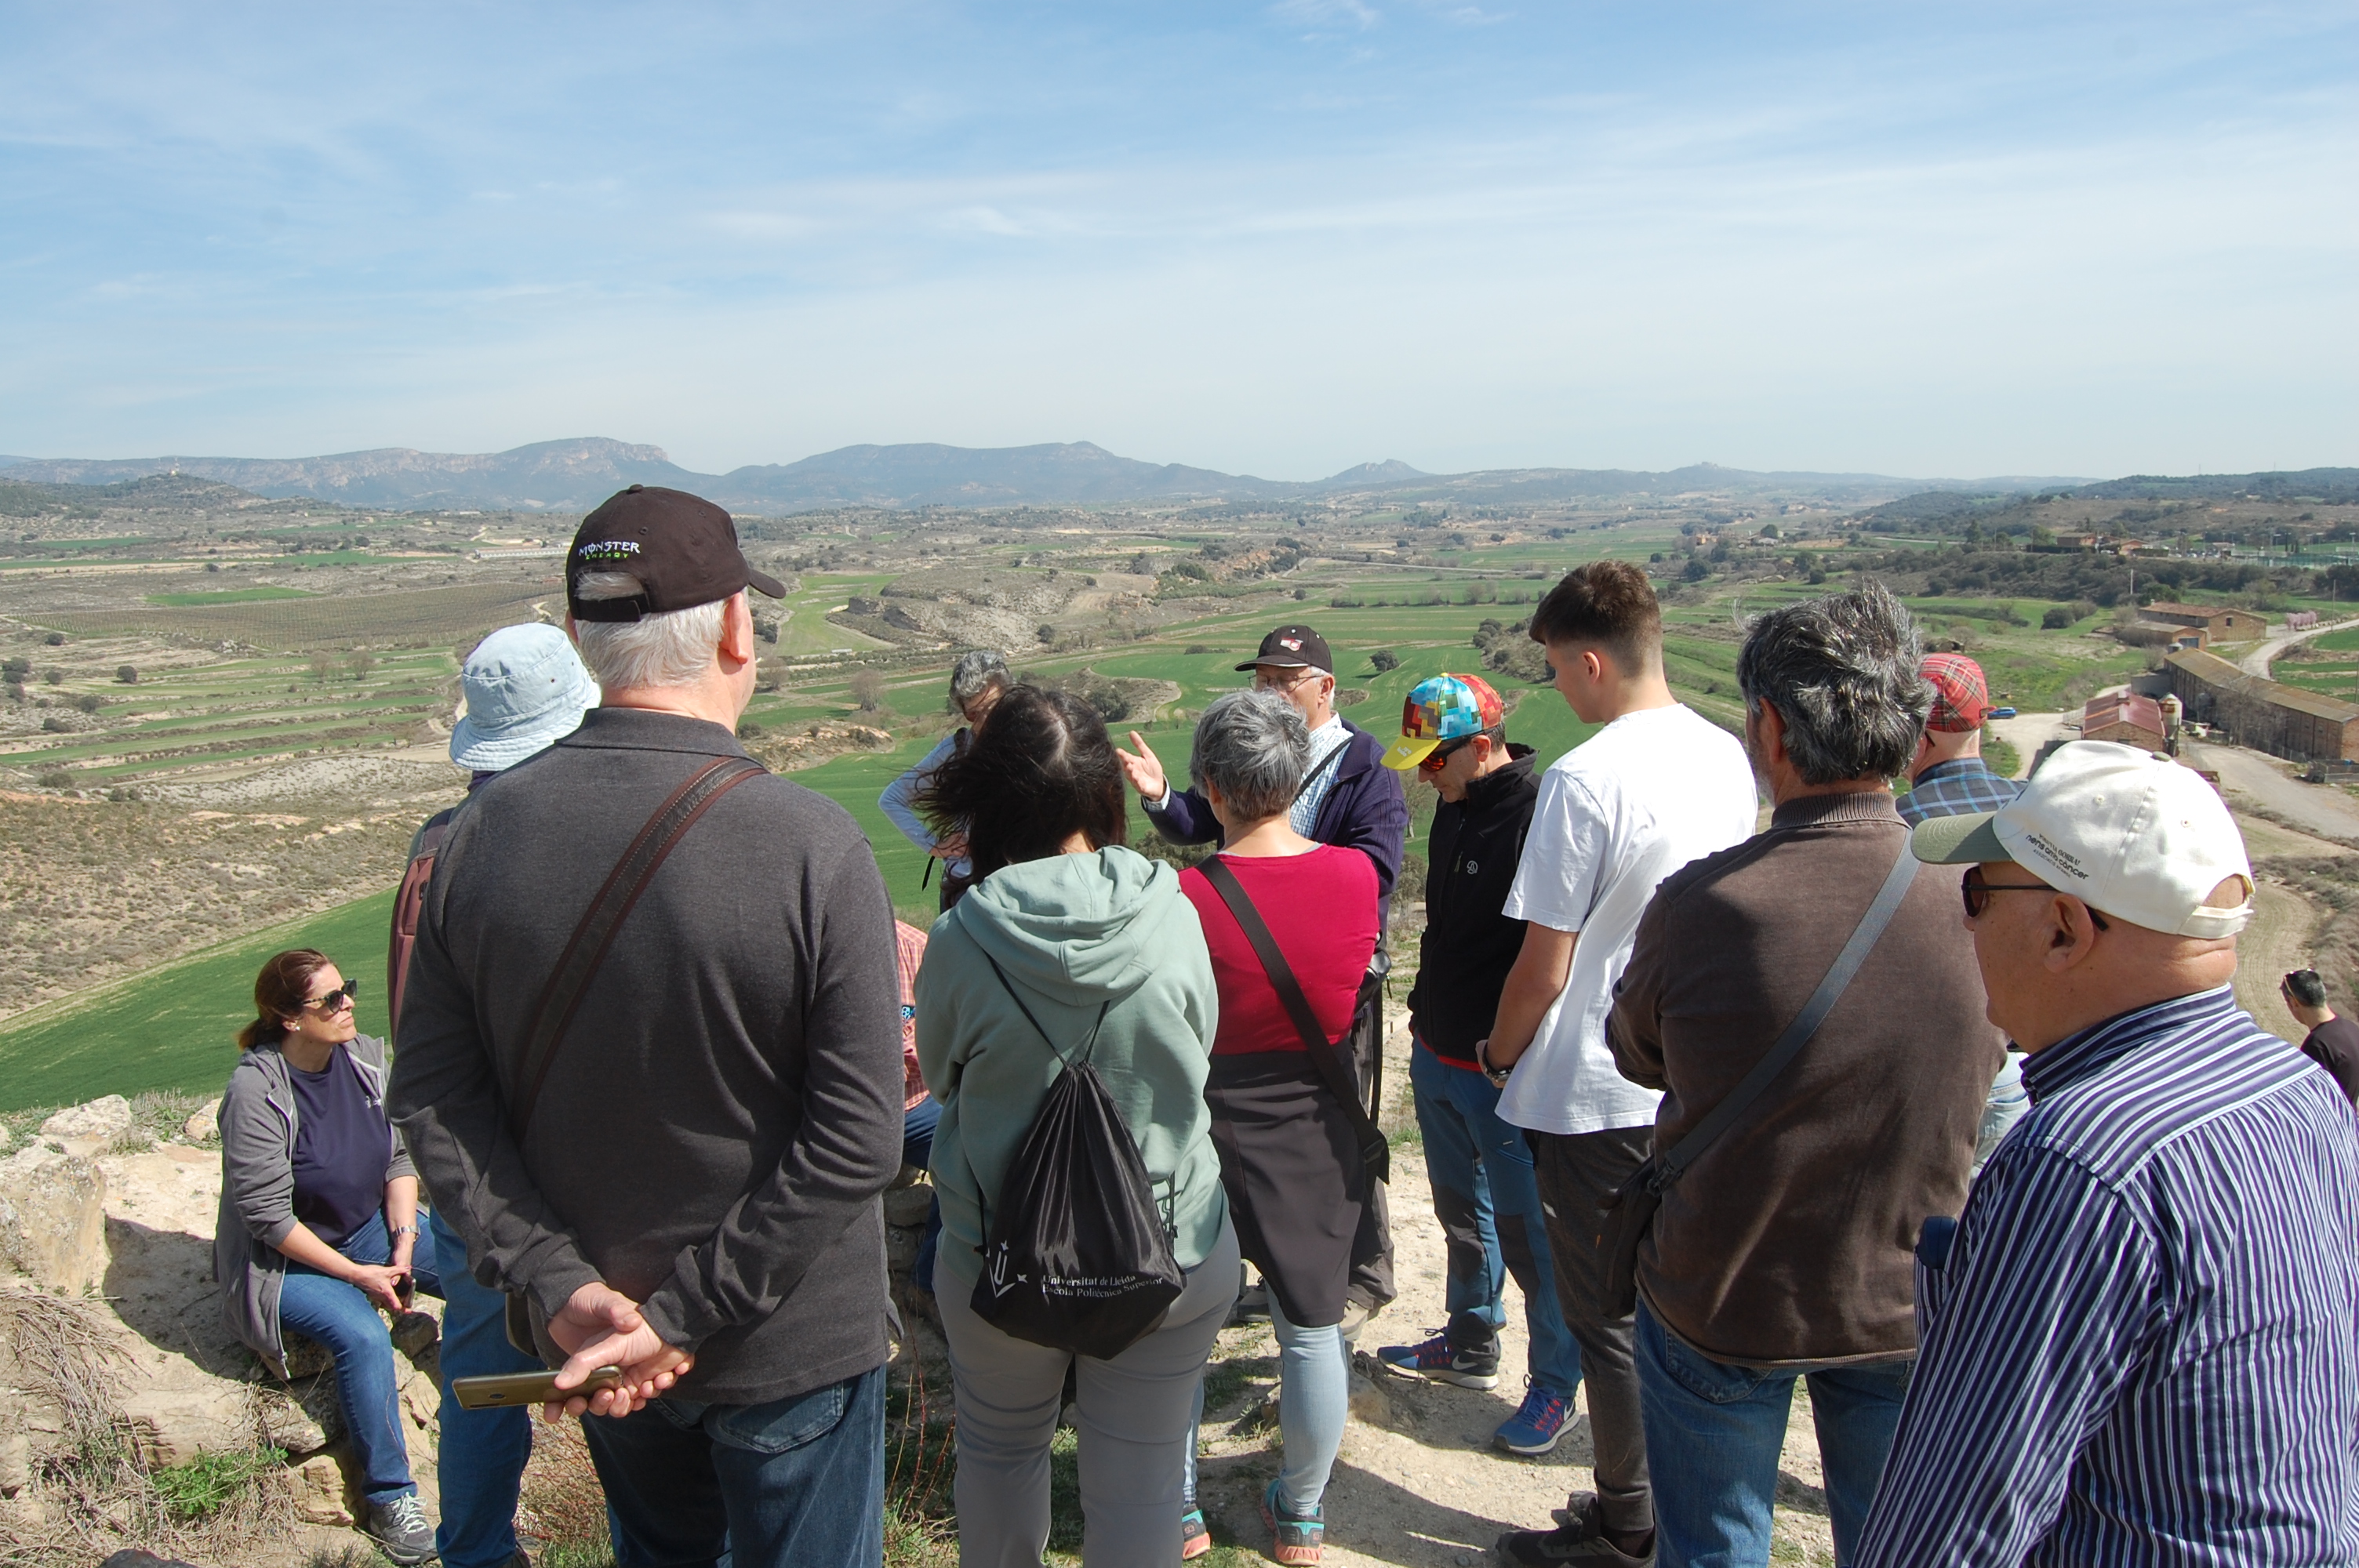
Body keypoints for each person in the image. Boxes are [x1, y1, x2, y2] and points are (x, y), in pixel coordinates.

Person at [387, 485, 905, 1568]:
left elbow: (437, 1101)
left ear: (581, 638)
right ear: (733, 627)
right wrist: (685, 1314)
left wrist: (563, 1288)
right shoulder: (809, 845)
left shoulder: (471, 844)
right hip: (783, 1344)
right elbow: (857, 1136)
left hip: (593, 1341)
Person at [1862, 742, 2359, 1563]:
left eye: (1979, 890)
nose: (1965, 917)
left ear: (2063, 927)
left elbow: (1956, 1520)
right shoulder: (2296, 1091)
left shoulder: (2080, 1158)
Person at [1606, 585, 2004, 1568]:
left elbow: (1636, 1053)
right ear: (1911, 733)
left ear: (1770, 729)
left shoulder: (1704, 904)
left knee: (1713, 1547)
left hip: (1726, 1285)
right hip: (1906, 1293)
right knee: (1895, 1542)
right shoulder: (1980, 899)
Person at [912, 682, 1237, 1568]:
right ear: (1103, 792)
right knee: (1138, 1487)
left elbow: (940, 1075)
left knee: (999, 1451)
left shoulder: (963, 936)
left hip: (1000, 1256)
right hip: (1170, 1247)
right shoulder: (1174, 908)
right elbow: (1195, 1047)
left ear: (989, 799)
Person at [1478, 563, 1757, 1568]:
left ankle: (1631, 1521)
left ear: (1590, 659)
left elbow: (1543, 963)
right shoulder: (1728, 755)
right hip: (1691, 1068)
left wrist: (1499, 1053)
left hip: (1592, 1082)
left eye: (1555, 670)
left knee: (1604, 1316)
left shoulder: (1584, 776)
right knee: (1673, 1308)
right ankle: (1665, 1509)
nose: (1558, 688)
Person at [1117, 624, 1408, 1332]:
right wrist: (1161, 799)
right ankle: (1270, 1270)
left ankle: (1359, 1271)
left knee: (1341, 1123)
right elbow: (1210, 823)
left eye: (1287, 679)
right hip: (1249, 955)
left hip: (1330, 976)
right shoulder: (1255, 755)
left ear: (1326, 689)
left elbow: (1376, 868)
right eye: (1264, 680)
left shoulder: (1364, 763)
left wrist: (1309, 895)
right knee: (1255, 1146)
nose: (1272, 690)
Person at [388, 620, 598, 1568]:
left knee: (484, 1374)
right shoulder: (575, 844)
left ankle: (473, 1551)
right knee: (624, 1382)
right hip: (579, 1169)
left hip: (470, 1176)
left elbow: (416, 1036)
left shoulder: (435, 848)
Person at [1174, 688, 1383, 1566]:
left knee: (1180, 1327)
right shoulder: (1354, 876)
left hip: (1204, 1120)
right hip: (1313, 1122)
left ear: (1212, 788)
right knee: (1309, 1326)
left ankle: (1176, 1505)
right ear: (1293, 777)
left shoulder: (1183, 894)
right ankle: (1299, 1512)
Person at [1371, 673, 1584, 1457]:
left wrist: (1504, 1055)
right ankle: (1469, 1341)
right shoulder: (1457, 809)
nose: (1425, 777)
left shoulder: (1539, 819)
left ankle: (1555, 1385)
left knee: (1534, 1236)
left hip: (1506, 1070)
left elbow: (1546, 955)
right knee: (1462, 1212)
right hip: (1439, 1049)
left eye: (1434, 761)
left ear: (1480, 746)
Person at [216, 949, 445, 1566]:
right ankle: (392, 1500)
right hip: (284, 1262)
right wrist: (358, 1275)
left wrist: (401, 1245)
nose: (348, 1004)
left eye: (347, 988)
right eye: (330, 999)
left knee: (468, 1258)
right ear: (288, 1018)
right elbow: (267, 1218)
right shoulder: (257, 1090)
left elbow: (398, 1161)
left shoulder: (366, 1059)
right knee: (361, 1337)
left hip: (369, 1233)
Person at [1895, 652, 2030, 1171]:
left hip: (1934, 1064)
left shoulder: (1897, 827)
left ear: (1918, 738)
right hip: (2021, 1064)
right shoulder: (2030, 812)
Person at [880, 650, 1011, 910]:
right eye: (974, 713)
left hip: (1021, 887)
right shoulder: (955, 750)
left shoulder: (1035, 741)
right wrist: (933, 845)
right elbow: (892, 799)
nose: (984, 720)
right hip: (969, 894)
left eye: (992, 708)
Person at [892, 917, 945, 1300]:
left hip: (914, 1105)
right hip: (852, 1112)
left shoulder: (916, 947)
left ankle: (928, 1283)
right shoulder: (812, 950)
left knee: (979, 1157)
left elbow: (950, 1028)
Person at [2281, 967, 2359, 1105]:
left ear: (2293, 1003)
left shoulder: (2318, 1045)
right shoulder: (2352, 1029)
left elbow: (2308, 1101)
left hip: (2331, 1124)